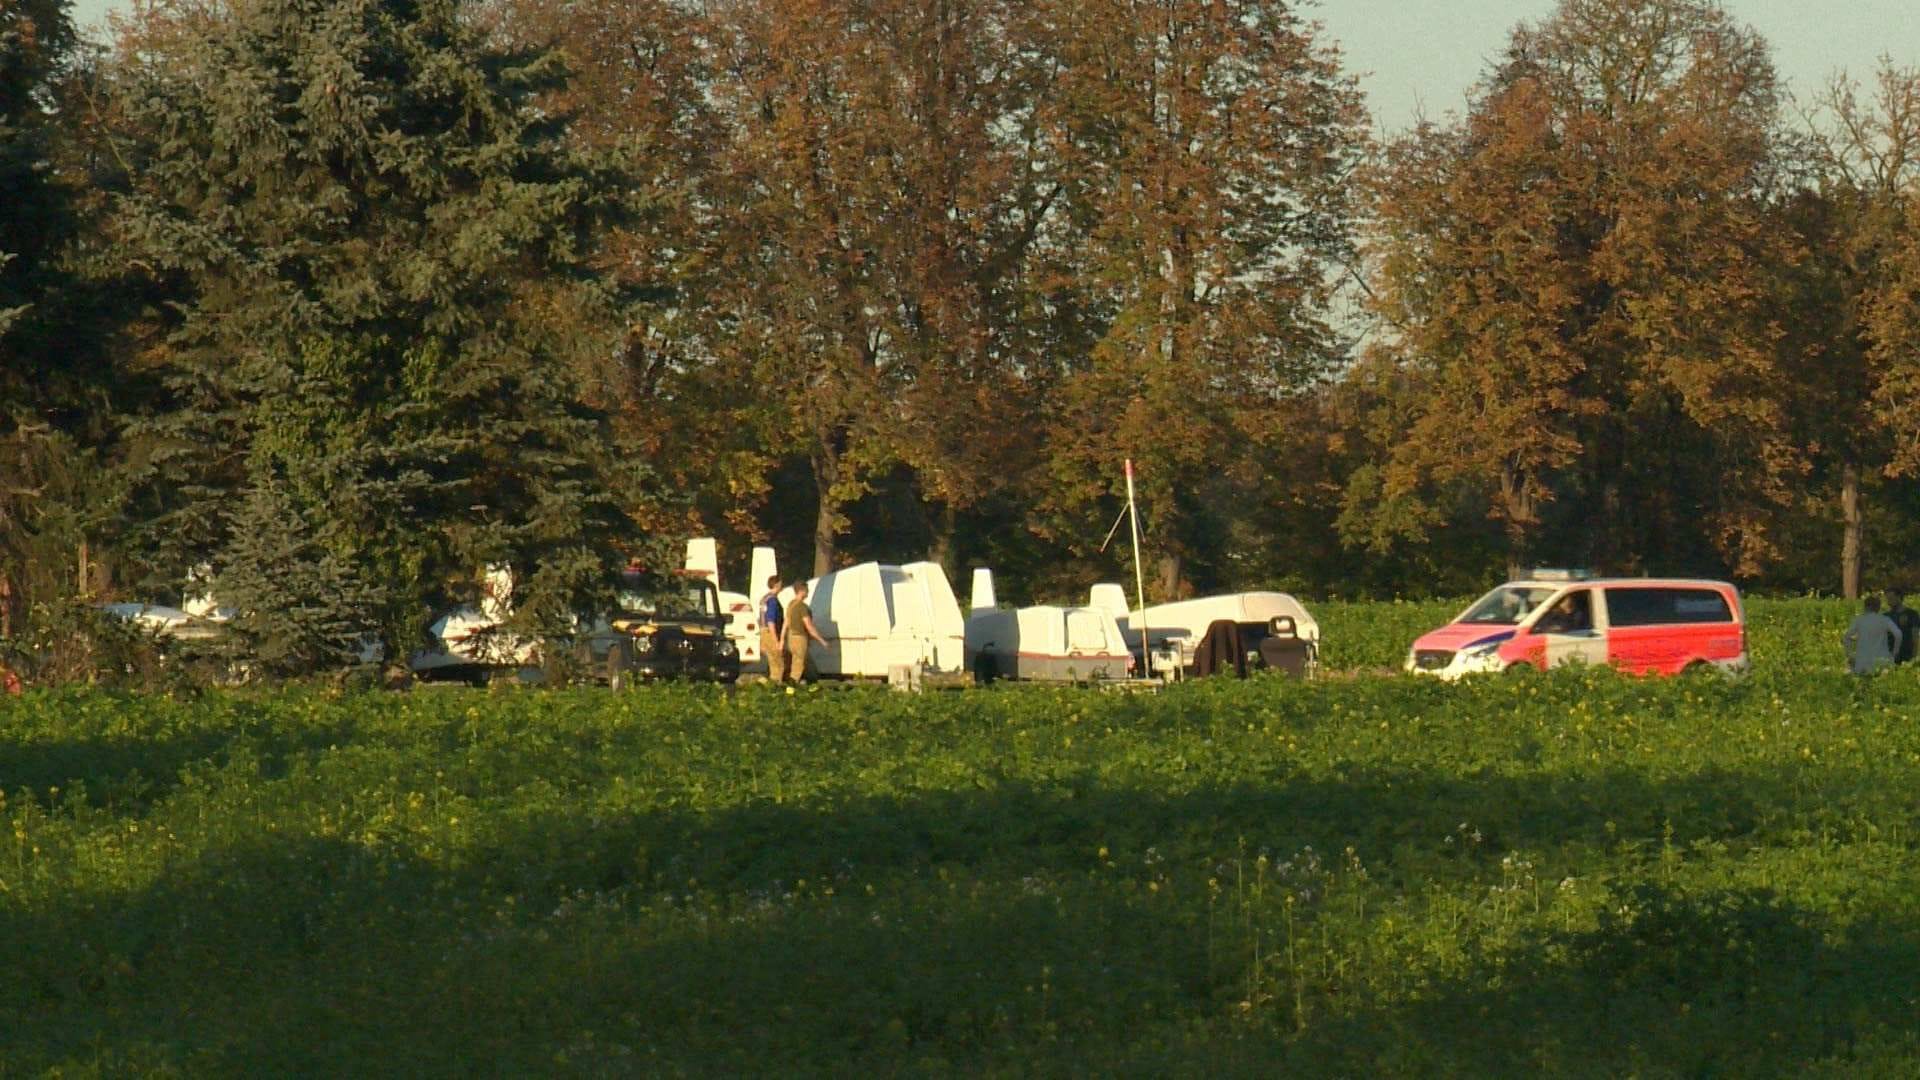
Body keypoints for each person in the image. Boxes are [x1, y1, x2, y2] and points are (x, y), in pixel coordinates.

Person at [784, 580, 830, 683]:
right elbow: (809, 626)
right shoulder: (802, 607)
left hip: (791, 638)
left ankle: (812, 685)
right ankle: (790, 689)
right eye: (807, 590)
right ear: (802, 591)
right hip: (800, 638)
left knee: (805, 664)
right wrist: (822, 641)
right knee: (798, 667)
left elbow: (786, 622)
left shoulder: (791, 605)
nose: (808, 592)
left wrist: (783, 639)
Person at [1843, 595, 1902, 675]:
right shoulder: (1884, 619)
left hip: (1862, 662)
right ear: (1878, 607)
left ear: (1865, 606)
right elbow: (1898, 635)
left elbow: (1846, 637)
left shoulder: (1859, 620)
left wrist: (1849, 654)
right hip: (1882, 660)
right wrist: (1895, 653)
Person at [759, 575, 788, 683]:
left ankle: (769, 686)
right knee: (778, 664)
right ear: (777, 585)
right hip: (770, 633)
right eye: (781, 583)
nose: (782, 585)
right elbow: (771, 621)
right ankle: (776, 687)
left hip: (763, 632)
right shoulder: (773, 601)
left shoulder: (764, 598)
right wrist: (776, 640)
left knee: (772, 662)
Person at [1887, 589, 1920, 666]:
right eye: (1887, 599)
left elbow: (1915, 637)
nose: (1888, 602)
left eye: (1891, 598)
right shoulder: (1885, 616)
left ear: (1899, 597)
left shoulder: (1912, 614)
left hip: (1906, 657)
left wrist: (1914, 657)